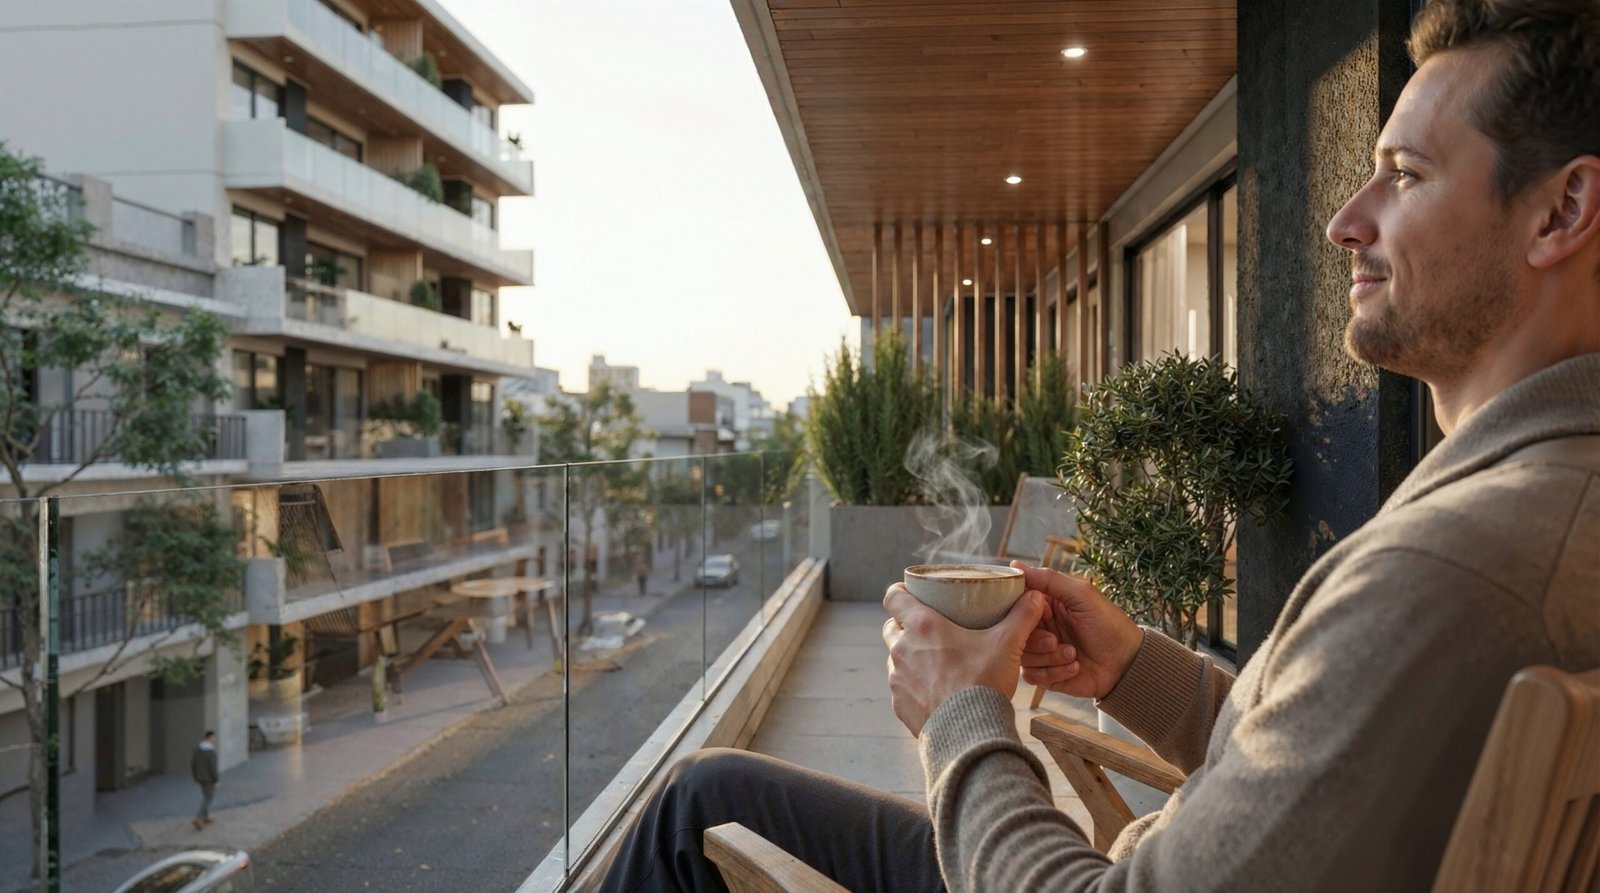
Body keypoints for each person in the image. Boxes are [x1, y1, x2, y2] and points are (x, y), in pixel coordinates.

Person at [597, 1, 1600, 890]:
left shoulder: (1451, 566)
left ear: (1561, 211)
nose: (1345, 221)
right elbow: (1327, 772)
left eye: (1406, 176)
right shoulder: (1532, 512)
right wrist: (1132, 667)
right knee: (711, 788)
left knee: (696, 805)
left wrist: (959, 715)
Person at [191, 731, 220, 831]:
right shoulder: (211, 751)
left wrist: (194, 776)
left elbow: (193, 763)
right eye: (214, 737)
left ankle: (206, 816)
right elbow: (213, 767)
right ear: (209, 738)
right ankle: (199, 817)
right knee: (208, 798)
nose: (215, 739)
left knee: (206, 795)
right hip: (208, 778)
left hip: (200, 777)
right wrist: (216, 780)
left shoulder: (197, 749)